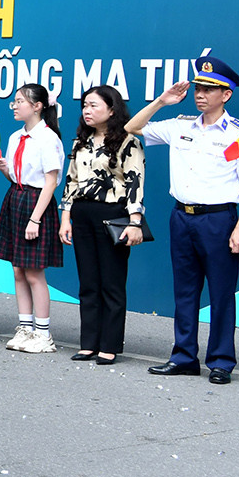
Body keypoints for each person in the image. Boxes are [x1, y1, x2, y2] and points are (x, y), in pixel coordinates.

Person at [126, 57, 239, 383]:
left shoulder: (238, 133)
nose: (201, 94)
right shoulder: (182, 124)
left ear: (226, 95)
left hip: (218, 219)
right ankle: (184, 356)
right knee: (185, 290)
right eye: (198, 88)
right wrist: (161, 100)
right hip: (182, 216)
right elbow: (133, 127)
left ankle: (222, 362)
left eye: (209, 89)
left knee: (221, 292)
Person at [59, 86, 144, 365]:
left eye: (94, 105)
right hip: (82, 213)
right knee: (88, 282)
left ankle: (109, 345)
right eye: (85, 105)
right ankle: (89, 343)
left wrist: (135, 222)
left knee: (112, 282)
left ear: (112, 110)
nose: (87, 110)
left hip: (113, 214)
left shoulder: (127, 141)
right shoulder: (80, 142)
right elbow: (71, 181)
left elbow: (135, 182)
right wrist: (65, 217)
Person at [0, 84, 65, 353]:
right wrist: (5, 169)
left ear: (37, 106)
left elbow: (50, 183)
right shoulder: (15, 137)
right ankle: (25, 328)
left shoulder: (48, 138)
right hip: (16, 197)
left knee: (34, 272)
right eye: (14, 101)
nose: (14, 106)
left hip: (36, 203)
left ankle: (43, 334)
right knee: (18, 269)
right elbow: (17, 177)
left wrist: (35, 219)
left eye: (20, 101)